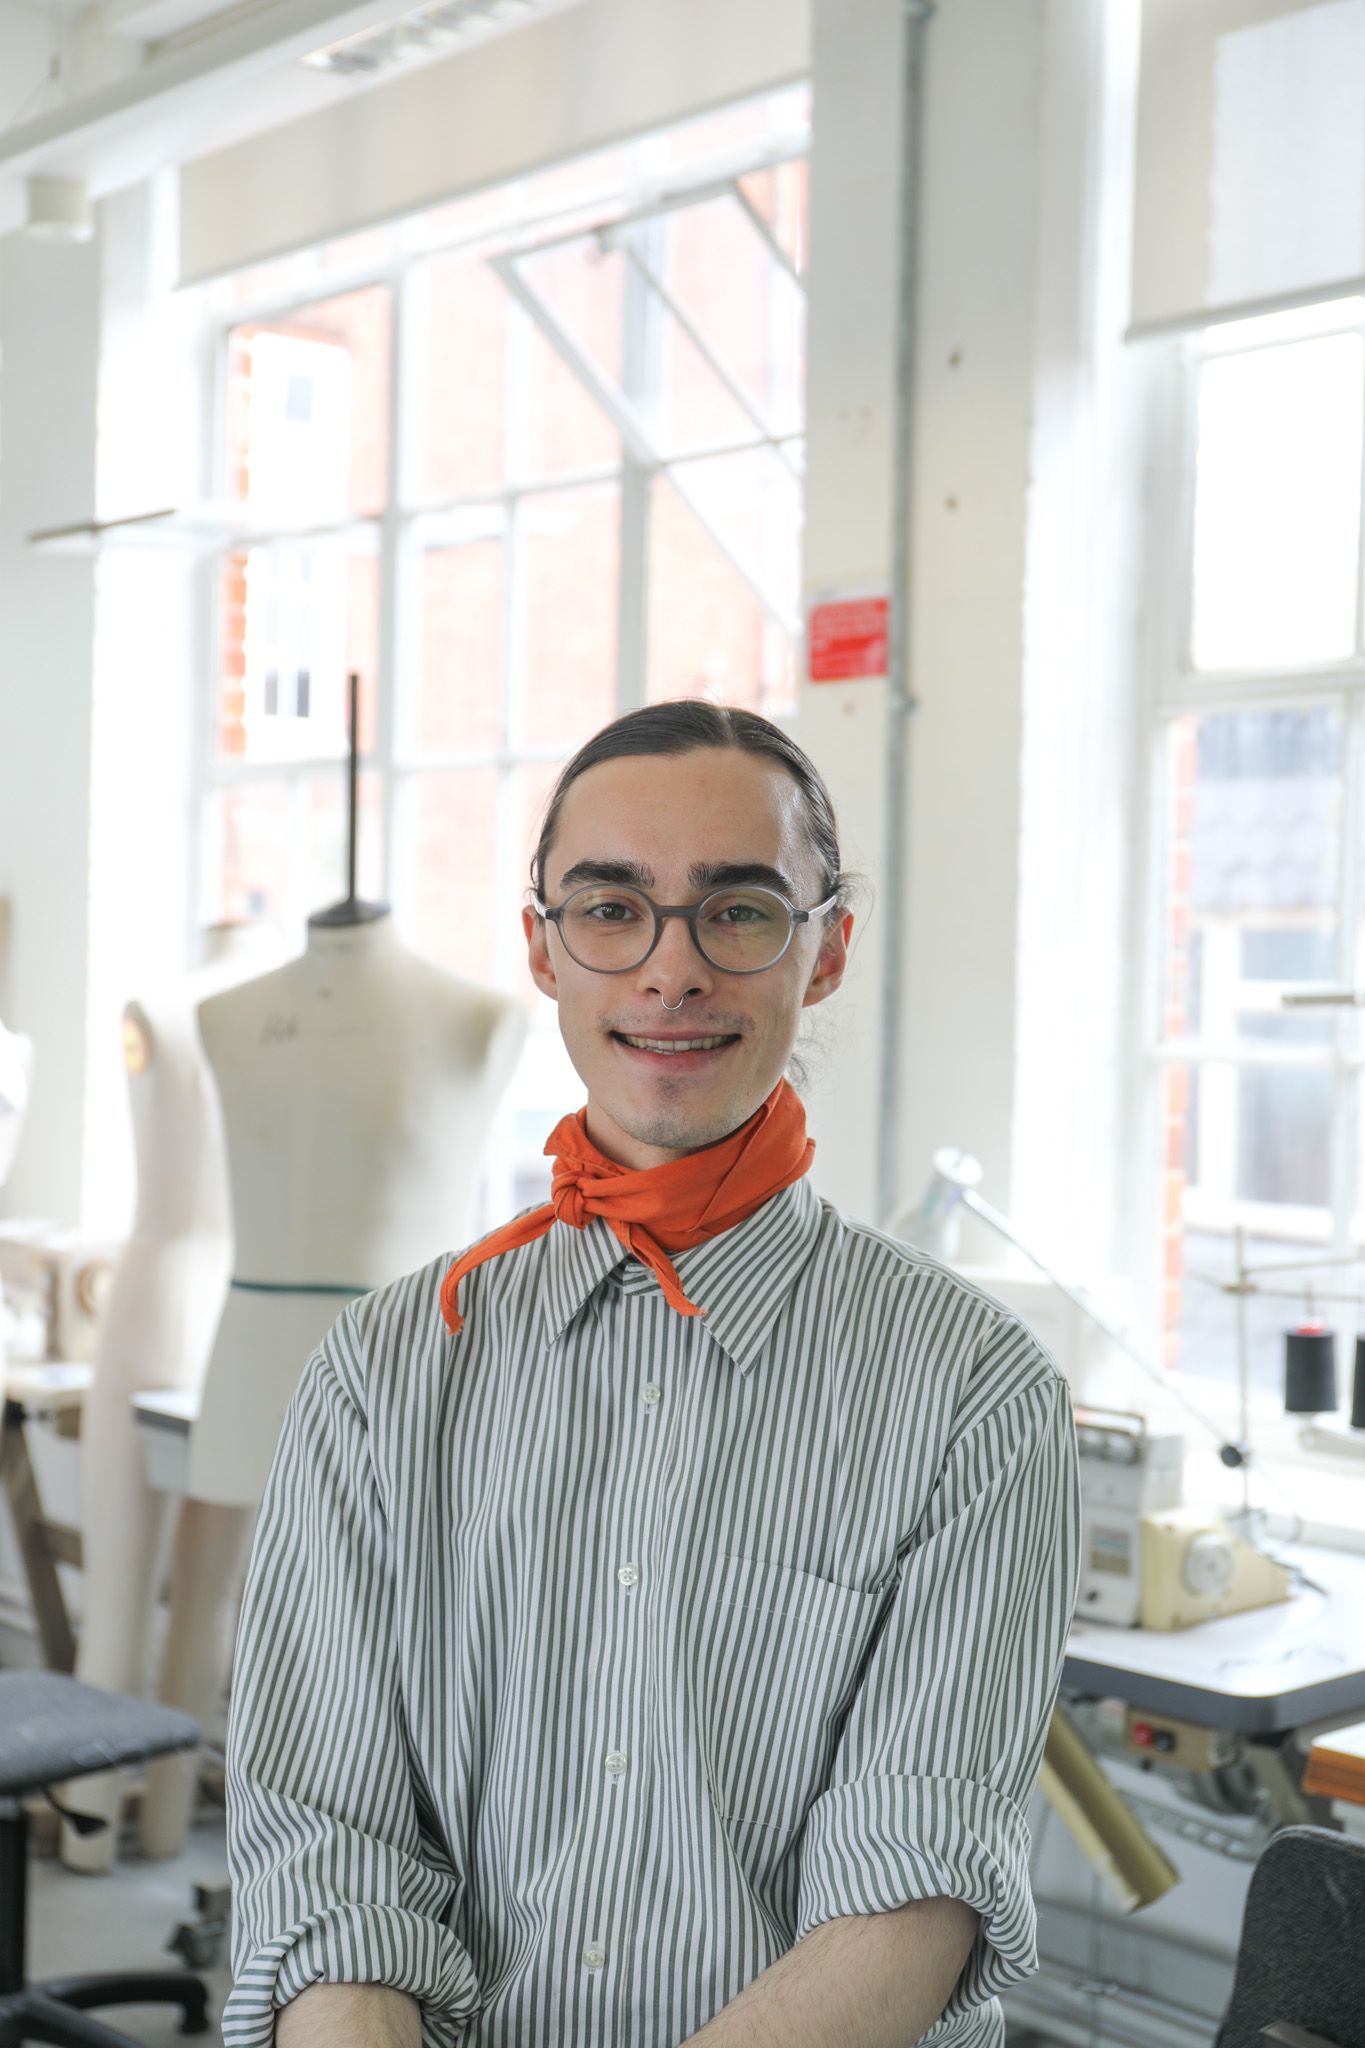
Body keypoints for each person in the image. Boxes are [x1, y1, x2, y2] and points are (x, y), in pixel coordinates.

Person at [222, 700, 1080, 2048]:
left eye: (736, 911)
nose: (669, 972)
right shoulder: (386, 1371)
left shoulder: (973, 1393)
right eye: (611, 909)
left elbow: (910, 1897)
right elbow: (326, 1848)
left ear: (829, 946)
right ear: (543, 948)